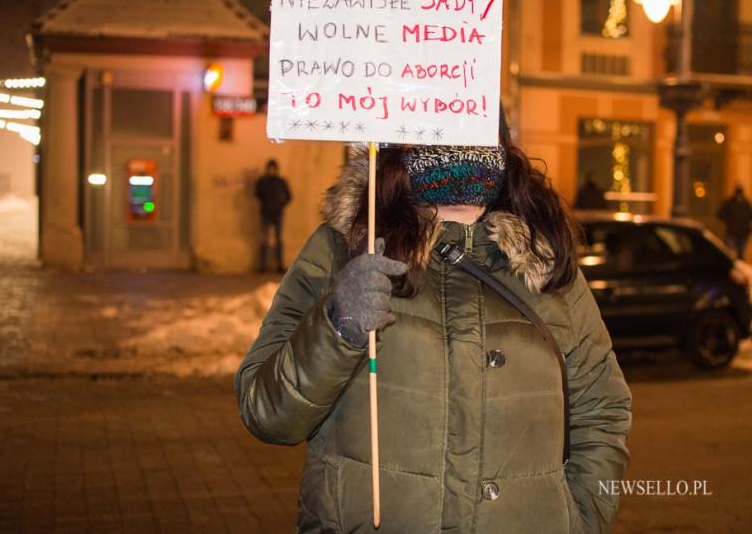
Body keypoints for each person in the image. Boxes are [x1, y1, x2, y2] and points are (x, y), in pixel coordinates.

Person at [235, 124, 632, 533]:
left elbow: (602, 411)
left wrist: (583, 517)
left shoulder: (544, 258)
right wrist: (337, 327)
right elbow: (266, 412)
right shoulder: (343, 246)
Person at [254, 159, 291, 272]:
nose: (271, 170)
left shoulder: (280, 181)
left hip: (277, 212)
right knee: (264, 239)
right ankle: (262, 266)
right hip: (266, 212)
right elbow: (257, 193)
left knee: (278, 239)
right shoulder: (263, 181)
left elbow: (289, 196)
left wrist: (280, 204)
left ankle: (279, 265)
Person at [717, 185, 752, 259]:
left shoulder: (746, 204)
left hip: (742, 233)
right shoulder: (730, 203)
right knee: (729, 254)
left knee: (740, 254)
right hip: (732, 232)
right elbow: (721, 214)